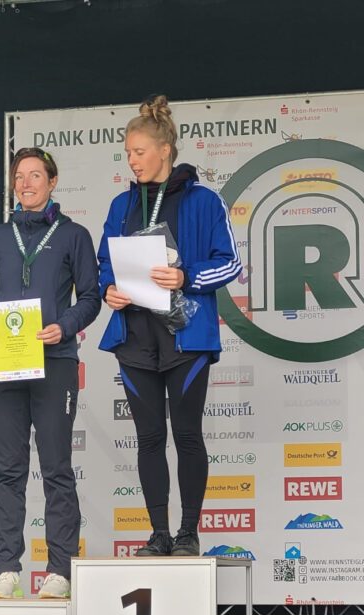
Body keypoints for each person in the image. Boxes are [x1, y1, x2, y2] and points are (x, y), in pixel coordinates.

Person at [98, 95, 241, 557]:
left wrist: (186, 277)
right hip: (135, 337)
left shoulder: (204, 200)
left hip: (186, 336)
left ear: (164, 150)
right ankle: (158, 533)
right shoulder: (122, 204)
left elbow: (231, 263)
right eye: (128, 153)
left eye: (139, 151)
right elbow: (105, 263)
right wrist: (108, 289)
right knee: (149, 438)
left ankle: (188, 533)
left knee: (187, 434)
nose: (132, 160)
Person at [0, 147, 100, 599]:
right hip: (5, 362)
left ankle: (59, 570)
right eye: (19, 177)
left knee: (56, 467)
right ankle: (6, 570)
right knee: (8, 470)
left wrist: (65, 325)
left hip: (55, 360)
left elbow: (91, 297)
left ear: (52, 182)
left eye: (35, 176)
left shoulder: (74, 235)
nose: (25, 184)